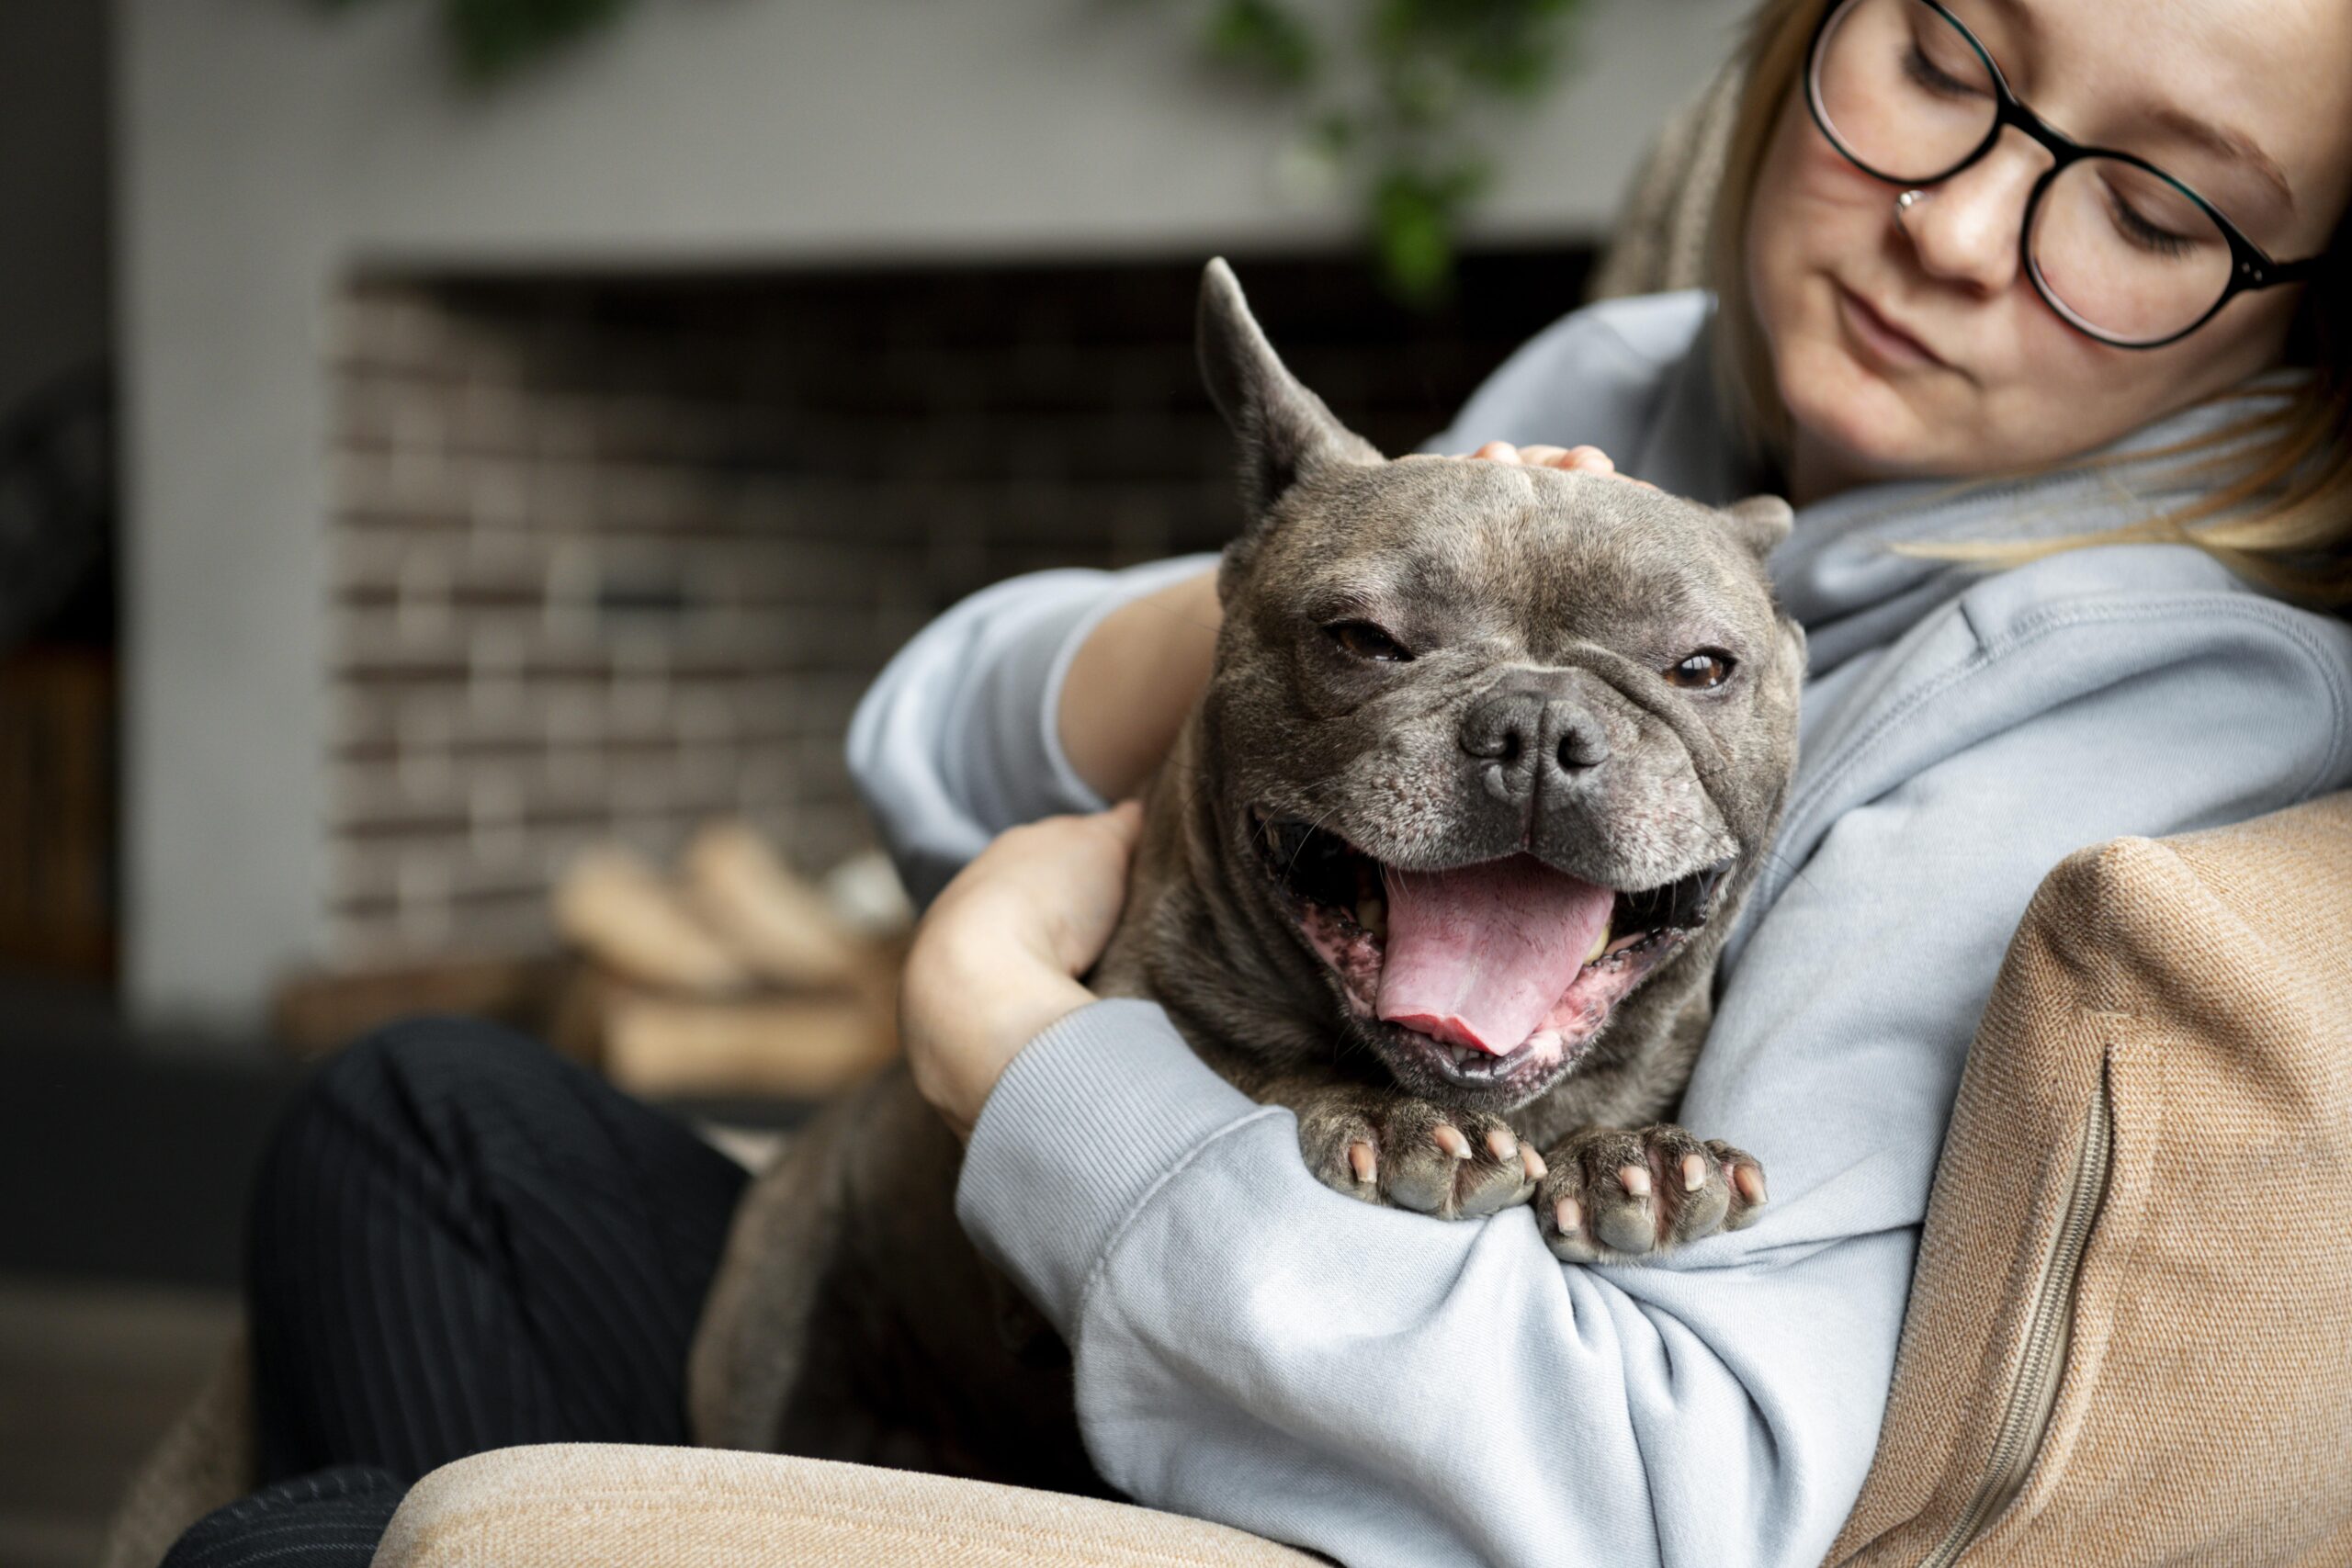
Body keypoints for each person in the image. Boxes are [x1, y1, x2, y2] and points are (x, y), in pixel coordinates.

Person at [162, 1, 2352, 1564]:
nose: (1958, 228)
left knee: (340, 1504)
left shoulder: (2107, 709)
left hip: (1301, 1433)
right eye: (1945, 63)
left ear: (2295, 318)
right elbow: (930, 734)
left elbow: (1670, 1496)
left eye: (2155, 210)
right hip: (1073, 1333)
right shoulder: (1633, 392)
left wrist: (1011, 1045)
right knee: (416, 1117)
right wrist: (1219, 631)